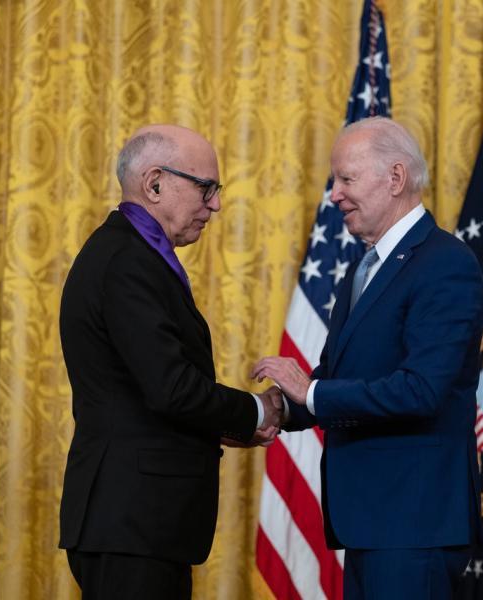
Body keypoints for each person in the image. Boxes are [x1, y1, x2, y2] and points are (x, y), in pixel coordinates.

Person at [252, 117, 483, 600]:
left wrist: (310, 391)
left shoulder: (446, 263)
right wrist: (268, 410)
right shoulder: (364, 268)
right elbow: (341, 379)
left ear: (395, 178)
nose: (334, 194)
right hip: (370, 524)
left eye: (346, 179)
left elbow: (421, 390)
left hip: (414, 524)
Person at [59, 124, 282, 599]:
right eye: (206, 188)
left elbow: (142, 396)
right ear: (155, 183)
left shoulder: (133, 254)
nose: (216, 204)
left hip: (141, 524)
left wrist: (229, 428)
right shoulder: (126, 261)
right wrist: (260, 411)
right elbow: (172, 388)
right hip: (130, 523)